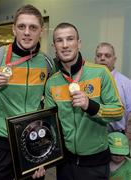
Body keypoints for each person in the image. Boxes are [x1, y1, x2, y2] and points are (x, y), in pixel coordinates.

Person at [0, 4, 54, 180]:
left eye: (33, 27)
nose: (27, 32)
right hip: (1, 140)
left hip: (32, 141)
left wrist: (45, 151)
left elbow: (51, 104)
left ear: (41, 31)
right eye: (21, 26)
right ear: (14, 29)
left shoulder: (46, 63)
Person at [44, 22, 124, 180]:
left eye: (70, 39)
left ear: (78, 43)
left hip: (95, 163)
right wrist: (42, 159)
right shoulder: (52, 83)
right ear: (54, 46)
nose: (65, 45)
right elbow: (50, 123)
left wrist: (90, 106)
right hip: (65, 163)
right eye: (60, 40)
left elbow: (118, 111)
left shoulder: (100, 73)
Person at [95, 42, 131, 133]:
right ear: (95, 59)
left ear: (114, 59)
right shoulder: (88, 81)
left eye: (107, 56)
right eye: (99, 55)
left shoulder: (126, 83)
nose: (102, 58)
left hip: (118, 137)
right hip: (92, 135)